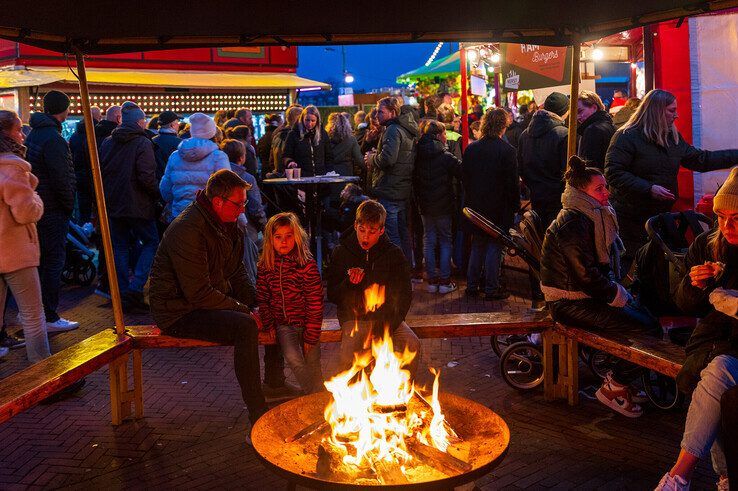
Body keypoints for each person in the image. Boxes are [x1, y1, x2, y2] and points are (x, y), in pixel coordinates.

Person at [540, 156, 660, 417]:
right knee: (646, 328)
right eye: (600, 189)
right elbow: (586, 276)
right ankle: (614, 385)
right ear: (582, 193)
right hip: (569, 302)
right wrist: (616, 294)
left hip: (584, 297)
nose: (607, 192)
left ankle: (622, 381)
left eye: (605, 187)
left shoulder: (590, 215)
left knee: (648, 317)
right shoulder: (574, 222)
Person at [149, 169, 268, 425]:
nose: (242, 209)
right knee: (245, 326)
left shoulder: (227, 224)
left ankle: (276, 383)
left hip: (202, 300)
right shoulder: (188, 229)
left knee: (270, 313)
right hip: (178, 311)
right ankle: (258, 413)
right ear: (218, 202)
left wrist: (257, 304)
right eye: (239, 203)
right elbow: (198, 293)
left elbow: (236, 272)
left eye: (244, 203)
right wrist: (244, 311)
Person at [655, 169, 738, 491]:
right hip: (714, 340)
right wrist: (694, 284)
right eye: (719, 217)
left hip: (724, 348)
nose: (726, 227)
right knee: (714, 374)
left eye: (735, 218)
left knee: (715, 374)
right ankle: (721, 475)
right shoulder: (709, 243)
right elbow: (684, 305)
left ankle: (680, 476)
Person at [605, 89, 738, 276]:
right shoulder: (626, 136)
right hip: (630, 217)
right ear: (656, 111)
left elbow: (701, 159)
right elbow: (613, 172)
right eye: (671, 110)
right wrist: (649, 189)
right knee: (630, 263)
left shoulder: (672, 138)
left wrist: (735, 155)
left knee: (656, 266)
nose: (676, 115)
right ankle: (623, 300)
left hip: (660, 214)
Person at [326, 200, 420, 377]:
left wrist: (387, 326)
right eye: (362, 230)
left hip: (387, 319)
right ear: (355, 225)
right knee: (351, 353)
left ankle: (403, 392)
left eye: (372, 231)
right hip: (354, 319)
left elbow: (405, 295)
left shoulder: (393, 254)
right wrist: (349, 283)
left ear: (382, 230)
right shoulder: (341, 252)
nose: (366, 237)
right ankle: (351, 397)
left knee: (411, 343)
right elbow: (332, 294)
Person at [25, 90, 79, 332]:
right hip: (53, 209)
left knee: (41, 262)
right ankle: (49, 314)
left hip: (38, 206)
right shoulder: (54, 140)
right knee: (53, 261)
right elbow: (62, 178)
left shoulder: (34, 135)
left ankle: (38, 313)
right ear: (64, 109)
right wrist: (68, 206)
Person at [0, 109, 51, 362]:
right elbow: (26, 212)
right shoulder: (12, 167)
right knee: (32, 314)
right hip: (15, 250)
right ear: (7, 133)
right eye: (18, 129)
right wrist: (37, 198)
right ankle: (43, 373)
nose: (22, 135)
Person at [99, 101, 160, 313]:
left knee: (120, 247)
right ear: (139, 121)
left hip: (114, 202)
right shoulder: (143, 143)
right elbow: (146, 176)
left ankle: (122, 291)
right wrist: (157, 195)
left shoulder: (108, 142)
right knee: (152, 241)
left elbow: (101, 172)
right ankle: (135, 288)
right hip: (138, 203)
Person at [256, 213, 324, 394]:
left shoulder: (306, 264)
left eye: (288, 236)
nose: (283, 242)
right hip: (284, 325)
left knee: (313, 362)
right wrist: (269, 322)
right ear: (270, 239)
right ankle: (313, 396)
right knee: (294, 359)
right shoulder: (265, 265)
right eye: (278, 237)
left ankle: (320, 402)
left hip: (308, 323)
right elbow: (263, 297)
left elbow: (315, 299)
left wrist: (312, 331)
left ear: (297, 236)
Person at [462, 108, 519, 300]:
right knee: (495, 246)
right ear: (502, 126)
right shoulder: (507, 151)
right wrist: (514, 206)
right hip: (498, 207)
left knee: (478, 245)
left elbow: (466, 179)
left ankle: (471, 286)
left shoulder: (471, 149)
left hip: (476, 206)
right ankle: (491, 288)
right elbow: (511, 184)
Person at [364, 97, 419, 262]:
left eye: (381, 111)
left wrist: (372, 159)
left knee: (392, 235)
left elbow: (388, 159)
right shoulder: (405, 128)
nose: (377, 115)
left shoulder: (393, 130)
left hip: (390, 189)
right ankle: (407, 268)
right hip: (401, 188)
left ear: (392, 112)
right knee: (403, 233)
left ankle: (399, 272)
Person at [413, 120, 461, 294]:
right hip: (443, 205)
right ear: (439, 135)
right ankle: (445, 281)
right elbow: (462, 171)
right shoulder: (445, 156)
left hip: (425, 205)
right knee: (446, 240)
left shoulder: (417, 154)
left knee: (429, 240)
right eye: (444, 134)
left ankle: (432, 280)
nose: (446, 136)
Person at [159, 113, 230, 223]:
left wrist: (177, 201)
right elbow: (227, 188)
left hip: (180, 214)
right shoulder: (219, 157)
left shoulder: (175, 156)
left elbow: (165, 188)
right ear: (211, 132)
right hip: (209, 215)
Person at [518, 91, 569, 228]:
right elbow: (568, 171)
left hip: (536, 196)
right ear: (564, 111)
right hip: (558, 200)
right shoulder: (564, 135)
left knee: (539, 240)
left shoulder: (524, 134)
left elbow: (521, 167)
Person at [220, 139, 267, 245]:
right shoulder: (247, 179)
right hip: (247, 232)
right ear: (241, 158)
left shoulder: (217, 176)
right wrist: (264, 226)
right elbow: (256, 208)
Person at [68, 105, 102, 225]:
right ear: (98, 117)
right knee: (100, 210)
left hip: (79, 177)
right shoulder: (97, 135)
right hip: (95, 178)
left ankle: (84, 233)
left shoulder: (74, 136)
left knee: (84, 211)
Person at [283, 105, 334, 177]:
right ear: (302, 119)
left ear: (317, 121)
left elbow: (329, 155)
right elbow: (286, 154)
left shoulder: (322, 134)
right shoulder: (293, 134)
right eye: (307, 120)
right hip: (301, 177)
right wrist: (290, 162)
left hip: (321, 177)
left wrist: (328, 171)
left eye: (313, 121)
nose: (310, 124)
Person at [576, 91, 615, 170]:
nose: (578, 117)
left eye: (580, 111)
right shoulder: (609, 125)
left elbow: (590, 165)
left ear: (594, 107)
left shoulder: (593, 130)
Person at [151, 110, 183, 180]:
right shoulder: (181, 144)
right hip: (174, 182)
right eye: (177, 122)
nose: (178, 125)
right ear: (172, 125)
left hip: (156, 182)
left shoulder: (152, 141)